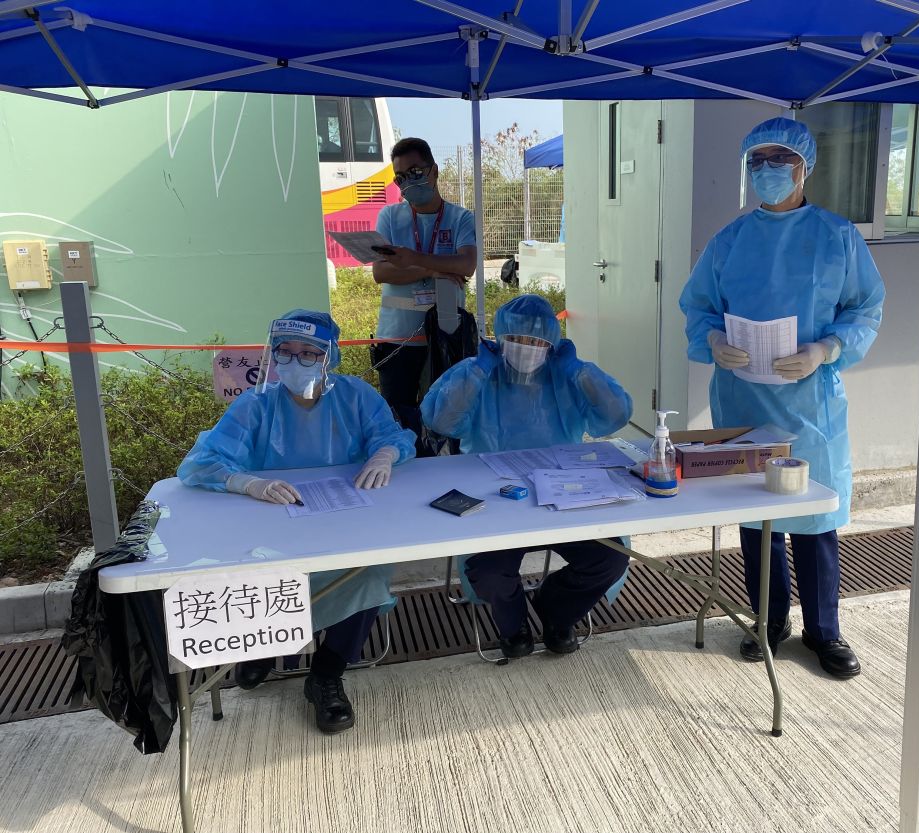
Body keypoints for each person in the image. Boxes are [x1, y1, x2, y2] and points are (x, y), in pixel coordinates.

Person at [679, 117, 885, 679]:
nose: (767, 171)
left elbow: (865, 307)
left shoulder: (837, 236)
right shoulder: (729, 241)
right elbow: (697, 306)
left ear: (805, 167)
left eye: (779, 160)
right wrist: (715, 340)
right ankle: (768, 622)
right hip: (743, 400)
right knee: (756, 515)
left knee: (814, 519)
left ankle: (825, 631)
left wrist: (826, 348)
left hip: (809, 405)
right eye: (757, 161)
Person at [177, 309, 416, 732]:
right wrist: (245, 482)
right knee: (265, 572)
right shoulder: (255, 405)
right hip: (273, 522)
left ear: (331, 356)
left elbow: (391, 434)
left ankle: (327, 672)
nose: (295, 361)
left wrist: (386, 453)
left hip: (345, 520)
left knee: (368, 570)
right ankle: (264, 647)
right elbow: (201, 462)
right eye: (285, 352)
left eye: (309, 353)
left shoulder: (356, 396)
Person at [421, 295, 632, 657]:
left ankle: (556, 610)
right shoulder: (478, 372)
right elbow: (440, 421)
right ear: (500, 338)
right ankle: (513, 623)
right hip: (492, 493)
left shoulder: (568, 375)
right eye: (517, 339)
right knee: (488, 571)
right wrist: (477, 372)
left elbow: (615, 416)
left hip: (563, 491)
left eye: (537, 342)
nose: (527, 348)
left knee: (609, 557)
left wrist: (580, 372)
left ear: (552, 344)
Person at [372, 137, 477, 453]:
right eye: (400, 177)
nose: (408, 182)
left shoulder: (461, 219)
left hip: (447, 336)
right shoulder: (390, 217)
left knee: (446, 420)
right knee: (399, 422)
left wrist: (410, 259)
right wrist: (432, 269)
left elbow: (466, 264)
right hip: (397, 340)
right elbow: (382, 272)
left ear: (434, 171)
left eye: (415, 172)